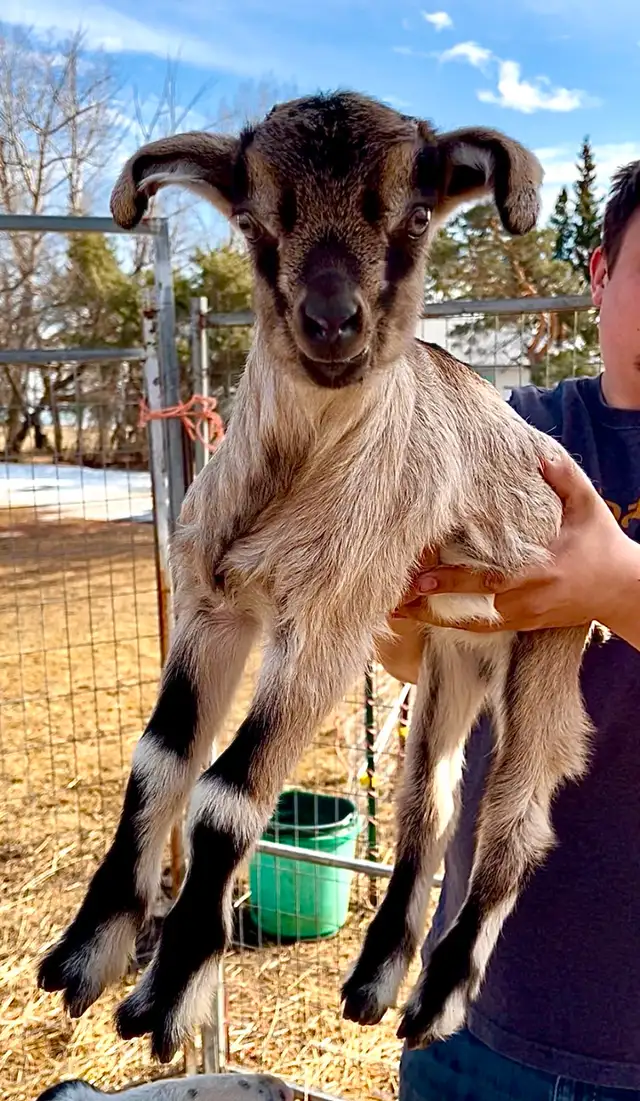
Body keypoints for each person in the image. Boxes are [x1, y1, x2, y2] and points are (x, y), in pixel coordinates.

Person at [382, 161, 640, 1100]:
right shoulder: (519, 433)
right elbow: (416, 659)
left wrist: (617, 584)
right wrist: (398, 607)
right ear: (602, 273)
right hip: (473, 1017)